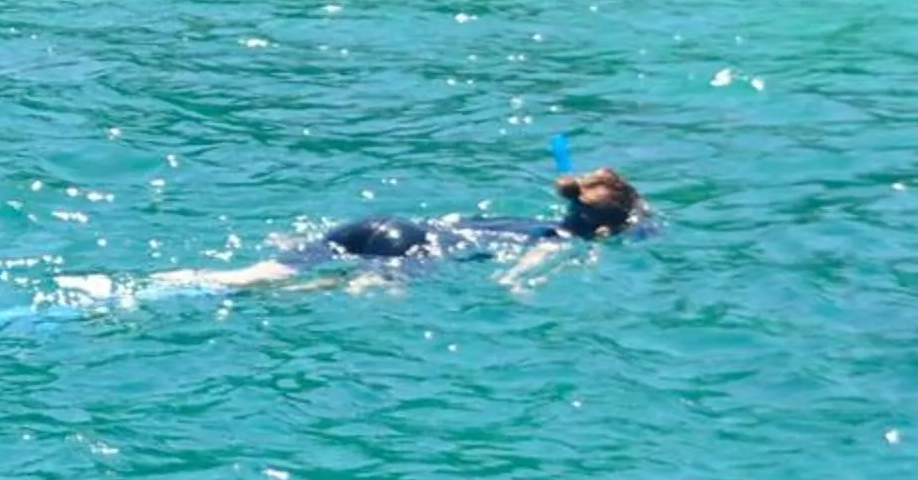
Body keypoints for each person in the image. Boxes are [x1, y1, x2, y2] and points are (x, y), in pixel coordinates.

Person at [131, 166, 654, 297]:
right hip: (408, 247)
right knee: (333, 290)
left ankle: (173, 279)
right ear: (603, 230)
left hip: (390, 224)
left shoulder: (524, 219)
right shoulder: (560, 243)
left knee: (250, 275)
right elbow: (515, 277)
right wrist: (522, 288)